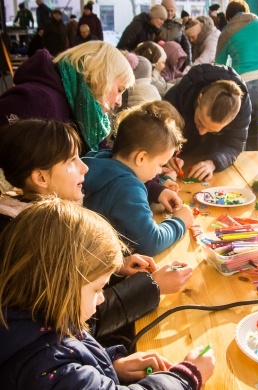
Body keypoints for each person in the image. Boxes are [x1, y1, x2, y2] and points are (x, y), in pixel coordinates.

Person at [0, 118, 192, 349]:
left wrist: (115, 267)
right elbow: (79, 321)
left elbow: (77, 280)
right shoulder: (37, 240)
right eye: (71, 161)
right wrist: (153, 287)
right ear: (40, 178)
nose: (85, 167)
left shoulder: (41, 217)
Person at [0, 198, 215, 388]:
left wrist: (111, 365)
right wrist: (186, 376)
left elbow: (75, 352)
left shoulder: (40, 316)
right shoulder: (47, 365)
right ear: (60, 289)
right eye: (97, 289)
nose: (102, 297)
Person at [82, 101, 194, 256]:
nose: (159, 171)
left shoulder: (101, 160)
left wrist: (160, 188)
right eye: (160, 164)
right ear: (141, 158)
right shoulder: (128, 188)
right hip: (107, 266)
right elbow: (152, 242)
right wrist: (179, 222)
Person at [0, 41, 134, 154]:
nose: (119, 102)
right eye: (119, 90)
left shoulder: (88, 112)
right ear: (100, 77)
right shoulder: (35, 101)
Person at [164, 63, 251, 181]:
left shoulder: (242, 109)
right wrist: (166, 154)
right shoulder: (175, 97)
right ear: (200, 98)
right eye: (200, 121)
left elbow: (235, 144)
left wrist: (213, 162)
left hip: (210, 161)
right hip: (179, 162)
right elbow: (160, 136)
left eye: (213, 131)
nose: (202, 132)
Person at [158, 0, 191, 68]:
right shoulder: (157, 24)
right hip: (160, 62)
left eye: (172, 10)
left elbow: (187, 46)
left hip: (176, 63)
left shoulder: (180, 25)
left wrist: (188, 65)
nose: (170, 13)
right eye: (167, 10)